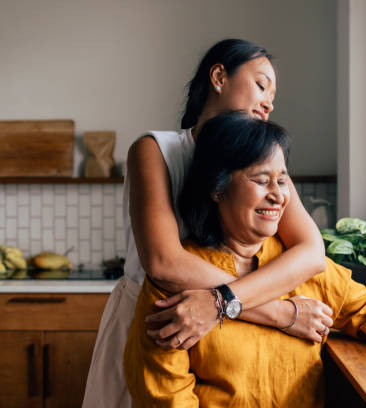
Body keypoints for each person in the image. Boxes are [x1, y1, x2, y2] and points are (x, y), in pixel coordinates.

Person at [123, 112, 366, 407]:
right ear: (217, 188)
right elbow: (165, 396)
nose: (277, 196)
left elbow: (365, 310)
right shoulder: (176, 285)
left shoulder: (295, 264)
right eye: (260, 179)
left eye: (282, 180)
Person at [83, 39, 331, 408]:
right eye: (262, 85)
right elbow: (164, 263)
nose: (269, 102)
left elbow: (312, 253)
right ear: (218, 76)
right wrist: (279, 312)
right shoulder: (153, 150)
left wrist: (219, 305)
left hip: (227, 338)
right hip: (154, 329)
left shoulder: (265, 163)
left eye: (273, 94)